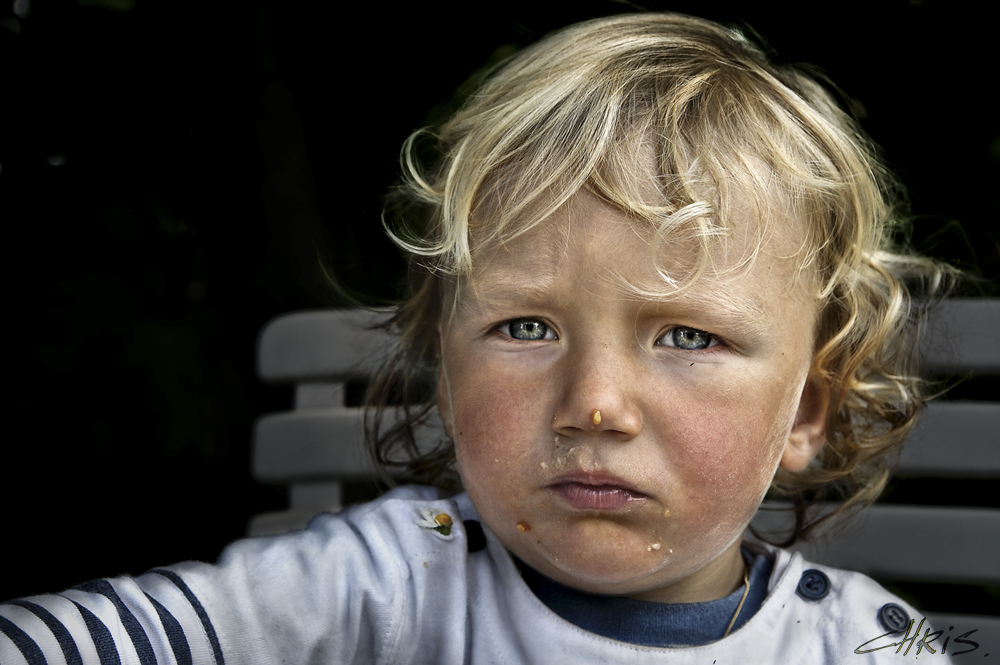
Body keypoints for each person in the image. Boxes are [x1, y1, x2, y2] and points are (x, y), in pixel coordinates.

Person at [1, 11, 958, 664]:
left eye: (688, 337)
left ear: (805, 409)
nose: (595, 402)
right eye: (526, 325)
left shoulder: (867, 642)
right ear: (448, 375)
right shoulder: (385, 585)